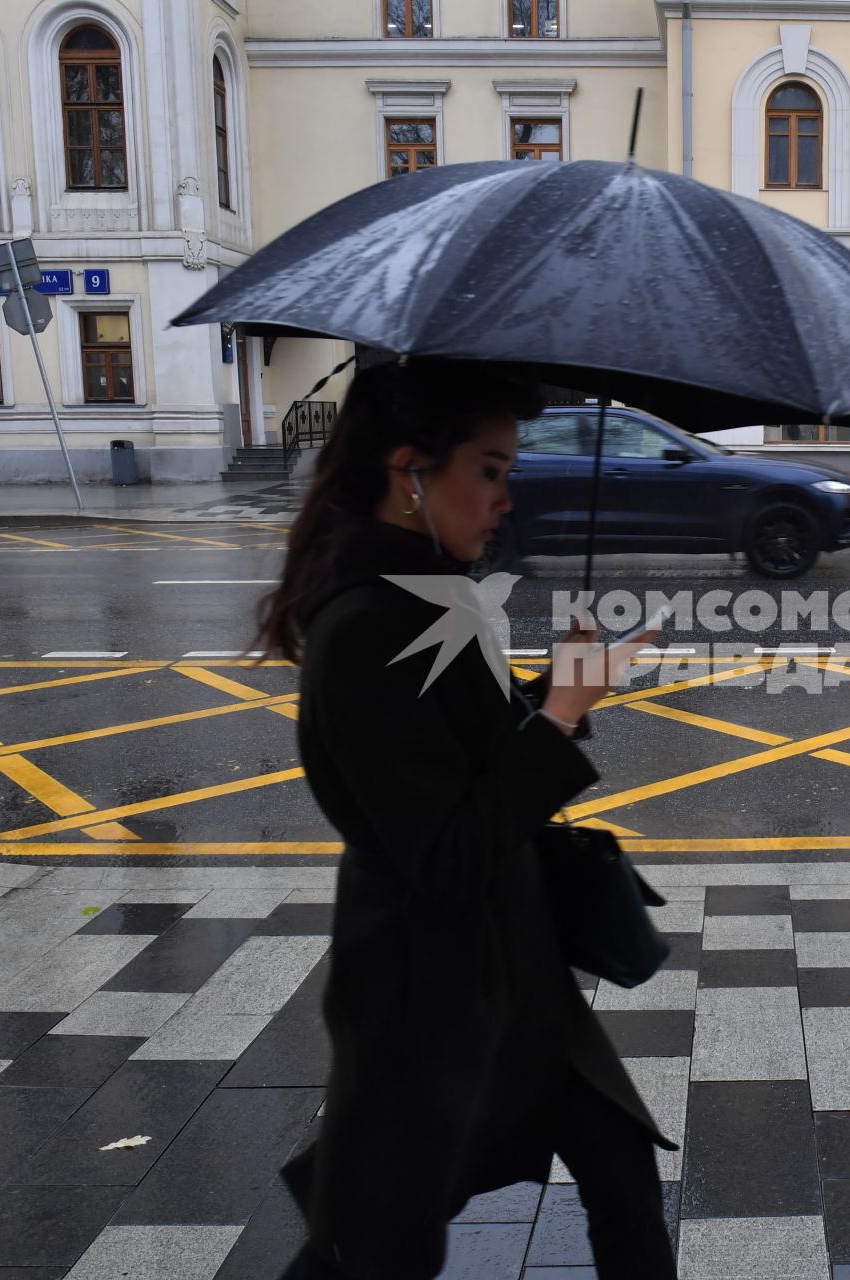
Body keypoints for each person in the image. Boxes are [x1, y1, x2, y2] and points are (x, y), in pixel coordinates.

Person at [265, 361, 677, 1280]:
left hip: (504, 959)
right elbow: (445, 848)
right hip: (428, 988)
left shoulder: (427, 593)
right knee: (377, 1242)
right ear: (410, 469)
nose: (504, 498)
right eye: (490, 470)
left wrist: (558, 694)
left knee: (619, 1173)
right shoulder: (369, 623)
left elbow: (471, 756)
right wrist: (561, 716)